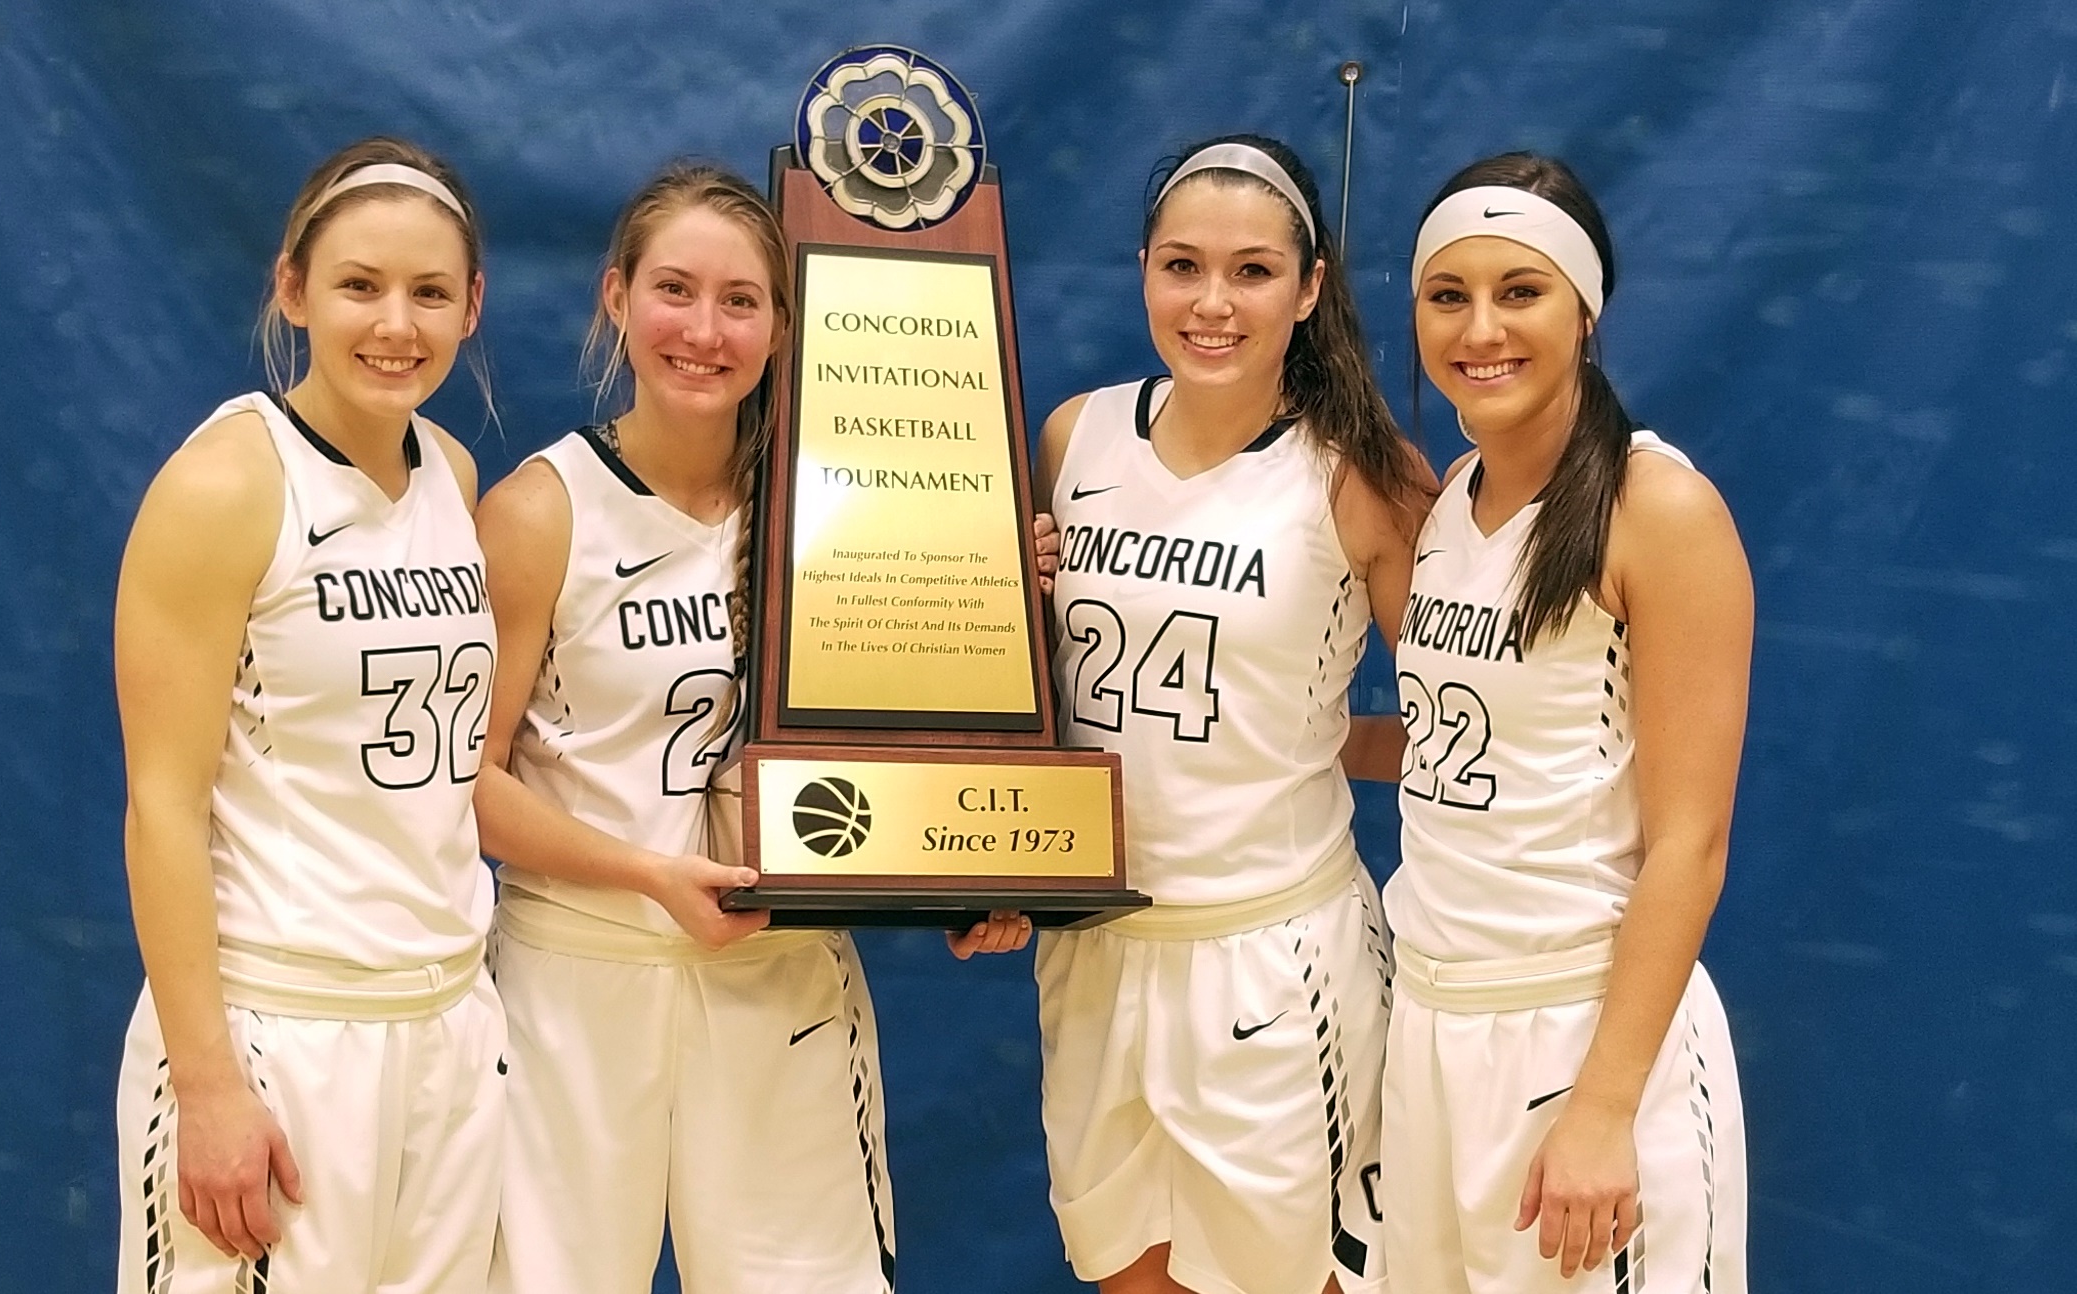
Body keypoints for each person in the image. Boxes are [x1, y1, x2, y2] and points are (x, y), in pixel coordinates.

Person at [473, 161, 1015, 1294]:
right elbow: (468, 785)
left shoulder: (850, 510)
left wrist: (962, 873)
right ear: (615, 298)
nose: (704, 331)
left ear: (783, 323)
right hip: (576, 980)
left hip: (780, 977)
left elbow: (905, 743)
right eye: (674, 290)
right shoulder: (539, 509)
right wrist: (648, 872)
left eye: (741, 301)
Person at [1034, 134, 1434, 1294]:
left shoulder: (1357, 471)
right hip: (1095, 948)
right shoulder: (1075, 437)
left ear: (1308, 289)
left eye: (1252, 271)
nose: (1212, 302)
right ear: (1144, 273)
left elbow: (1467, 724)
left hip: (1272, 959)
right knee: (1127, 1275)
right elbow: (1033, 710)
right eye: (1181, 265)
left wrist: (1311, 743)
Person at [113, 137, 504, 1292]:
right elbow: (162, 803)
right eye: (359, 285)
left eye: (430, 292)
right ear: (292, 289)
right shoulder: (227, 484)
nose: (397, 323)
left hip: (444, 1019)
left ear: (472, 306)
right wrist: (209, 1084)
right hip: (279, 1028)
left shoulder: (455, 475)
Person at [1381, 151, 1752, 1294]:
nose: (1478, 327)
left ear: (1584, 311)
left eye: (1519, 290)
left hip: (1583, 1040)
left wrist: (1601, 1108)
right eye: (1448, 295)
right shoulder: (1451, 496)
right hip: (1431, 1026)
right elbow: (1472, 750)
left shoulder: (1659, 509)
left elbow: (1687, 844)